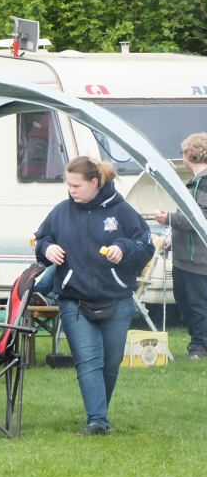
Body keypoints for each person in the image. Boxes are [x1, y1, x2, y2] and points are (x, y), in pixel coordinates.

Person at [35, 156, 153, 436]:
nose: (71, 190)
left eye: (77, 185)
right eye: (69, 185)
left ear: (95, 182)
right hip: (73, 300)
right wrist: (46, 248)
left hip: (117, 298)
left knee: (110, 363)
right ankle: (97, 420)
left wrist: (124, 248)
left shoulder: (122, 211)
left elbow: (145, 244)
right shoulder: (61, 212)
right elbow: (41, 238)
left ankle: (99, 414)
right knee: (88, 361)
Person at [154, 133, 207, 359]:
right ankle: (199, 344)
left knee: (197, 305)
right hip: (186, 257)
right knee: (187, 302)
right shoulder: (195, 182)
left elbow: (200, 219)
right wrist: (172, 240)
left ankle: (200, 347)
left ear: (189, 154)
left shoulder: (204, 183)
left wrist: (169, 218)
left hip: (198, 259)